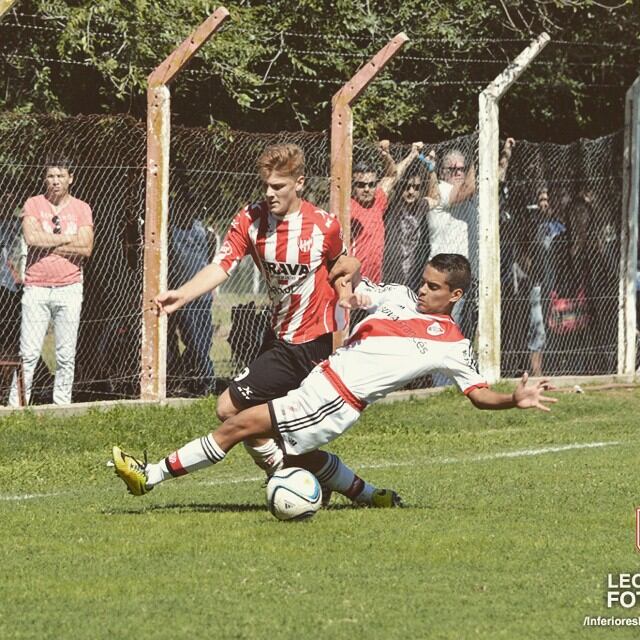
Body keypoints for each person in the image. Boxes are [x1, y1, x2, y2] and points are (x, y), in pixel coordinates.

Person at [113, 253, 557, 498]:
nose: (423, 289)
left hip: (335, 401)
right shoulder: (398, 297)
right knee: (280, 447)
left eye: (434, 287)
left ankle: (149, 476)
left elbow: (478, 394)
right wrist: (348, 275)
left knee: (239, 423)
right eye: (423, 281)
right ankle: (365, 494)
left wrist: (512, 399)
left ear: (455, 295)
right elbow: (356, 292)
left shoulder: (454, 343)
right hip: (319, 380)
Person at [153, 143, 399, 507]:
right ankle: (357, 492)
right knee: (287, 436)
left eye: (278, 186)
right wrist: (183, 294)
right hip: (277, 336)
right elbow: (222, 266)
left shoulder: (323, 226)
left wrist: (347, 290)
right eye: (265, 185)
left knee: (229, 409)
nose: (269, 193)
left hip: (311, 343)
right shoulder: (249, 221)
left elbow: (341, 265)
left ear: (299, 183)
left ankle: (281, 474)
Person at [8, 159, 93, 406]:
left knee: (66, 354)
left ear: (71, 178)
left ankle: (62, 405)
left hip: (69, 287)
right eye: (51, 176)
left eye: (60, 176)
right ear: (45, 179)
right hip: (36, 287)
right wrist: (68, 239)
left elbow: (86, 247)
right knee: (29, 352)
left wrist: (51, 244)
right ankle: (17, 404)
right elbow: (31, 237)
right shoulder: (34, 204)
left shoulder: (81, 208)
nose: (55, 181)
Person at [350, 141, 425, 283]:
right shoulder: (347, 208)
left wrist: (387, 155)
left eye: (371, 184)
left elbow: (392, 175)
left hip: (375, 280)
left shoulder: (378, 200)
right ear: (353, 186)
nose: (367, 189)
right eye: (361, 185)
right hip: (354, 280)